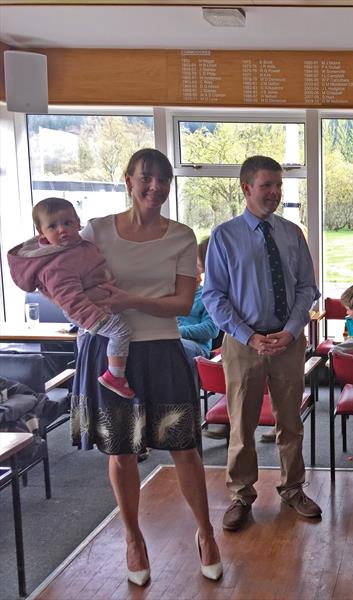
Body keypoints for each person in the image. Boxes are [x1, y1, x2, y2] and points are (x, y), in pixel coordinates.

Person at [70, 148, 222, 586]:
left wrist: (129, 300)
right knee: (121, 449)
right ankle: (134, 539)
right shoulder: (95, 231)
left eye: (163, 180)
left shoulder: (181, 236)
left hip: (161, 349)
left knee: (184, 448)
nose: (155, 187)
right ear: (128, 179)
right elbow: (64, 276)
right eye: (146, 178)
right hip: (107, 352)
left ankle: (206, 533)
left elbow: (180, 302)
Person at [203, 155, 321, 529]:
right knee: (242, 424)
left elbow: (307, 288)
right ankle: (241, 495)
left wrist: (290, 329)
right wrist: (248, 335)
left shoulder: (291, 234)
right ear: (246, 188)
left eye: (278, 186)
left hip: (288, 342)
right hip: (243, 345)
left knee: (291, 422)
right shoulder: (224, 237)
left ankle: (293, 489)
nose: (274, 192)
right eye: (266, 185)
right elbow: (213, 296)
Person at [8, 197, 136, 399]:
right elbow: (70, 300)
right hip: (84, 310)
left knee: (85, 337)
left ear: (78, 222)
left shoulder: (75, 247)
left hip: (90, 306)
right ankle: (115, 375)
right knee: (120, 330)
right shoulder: (57, 263)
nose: (62, 229)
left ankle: (86, 363)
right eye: (53, 226)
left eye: (67, 223)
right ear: (41, 232)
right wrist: (94, 318)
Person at [178, 236, 219, 363]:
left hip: (195, 346)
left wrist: (177, 332)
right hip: (171, 340)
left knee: (173, 346)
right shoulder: (170, 294)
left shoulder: (206, 295)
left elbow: (212, 329)